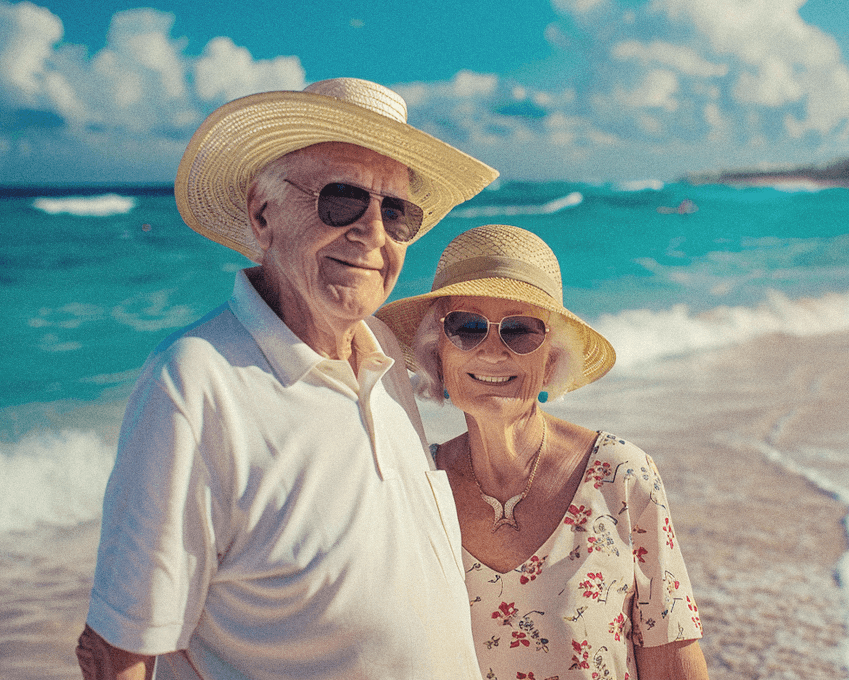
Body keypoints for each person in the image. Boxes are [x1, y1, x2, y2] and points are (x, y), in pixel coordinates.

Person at [76, 78, 498, 680]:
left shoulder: (385, 358)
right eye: (343, 199)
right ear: (262, 212)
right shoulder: (196, 382)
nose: (372, 232)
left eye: (397, 212)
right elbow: (116, 651)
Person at [374, 224, 710, 679]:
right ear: (438, 351)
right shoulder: (415, 483)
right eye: (467, 327)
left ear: (551, 357)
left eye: (520, 330)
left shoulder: (621, 475)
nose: (492, 350)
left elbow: (673, 663)